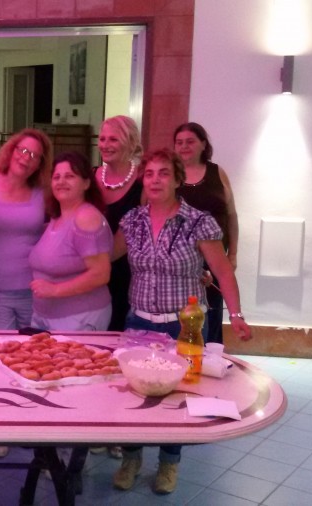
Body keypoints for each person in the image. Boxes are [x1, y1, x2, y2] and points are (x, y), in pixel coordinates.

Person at [111, 149, 251, 495]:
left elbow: (222, 271)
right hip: (139, 322)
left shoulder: (198, 222)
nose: (155, 180)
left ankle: (169, 464)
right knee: (135, 395)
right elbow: (105, 256)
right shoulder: (132, 221)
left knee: (177, 398)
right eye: (149, 174)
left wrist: (236, 315)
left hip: (182, 327)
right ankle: (131, 459)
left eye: (163, 173)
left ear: (177, 180)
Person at [0, 129, 51, 331]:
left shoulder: (43, 194)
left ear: (39, 164)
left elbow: (58, 226)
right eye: (23, 150)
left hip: (33, 291)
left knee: (33, 349)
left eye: (34, 155)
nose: (26, 158)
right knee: (0, 348)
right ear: (11, 150)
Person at [29, 152, 111, 331]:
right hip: (46, 318)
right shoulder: (57, 217)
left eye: (70, 176)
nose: (61, 182)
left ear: (86, 183)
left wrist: (55, 290)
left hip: (78, 319)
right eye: (56, 177)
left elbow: (101, 273)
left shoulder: (86, 217)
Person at [174, 122, 239, 344]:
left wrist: (233, 255)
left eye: (190, 141)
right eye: (179, 142)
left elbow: (232, 216)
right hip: (182, 264)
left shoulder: (217, 172)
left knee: (212, 317)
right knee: (188, 320)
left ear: (203, 144)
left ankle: (211, 358)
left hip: (216, 259)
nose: (184, 146)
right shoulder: (170, 176)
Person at [95, 115, 144, 334]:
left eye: (113, 139)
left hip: (128, 276)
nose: (105, 145)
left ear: (131, 143)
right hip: (91, 273)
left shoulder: (143, 182)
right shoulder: (90, 177)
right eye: (102, 139)